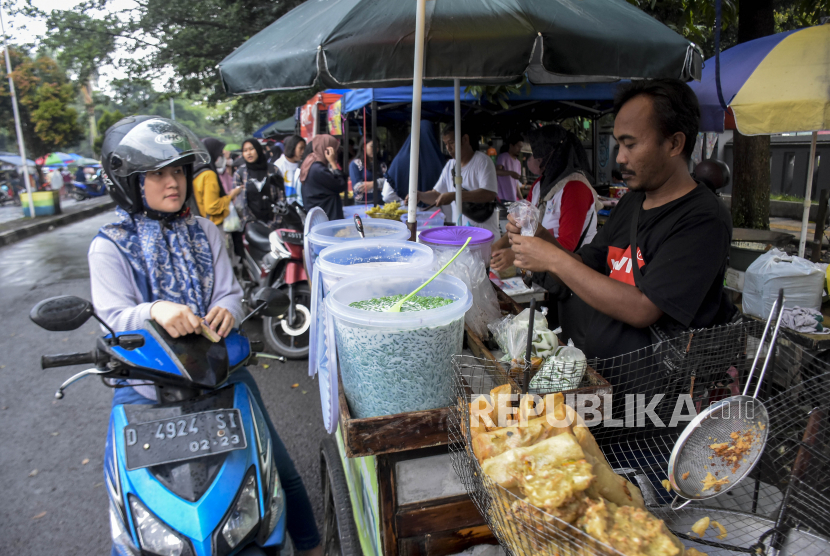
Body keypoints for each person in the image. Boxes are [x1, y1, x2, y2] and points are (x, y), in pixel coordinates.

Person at [89, 116, 322, 556]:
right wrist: (153, 310)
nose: (172, 182)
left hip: (219, 372)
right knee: (133, 502)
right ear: (128, 181)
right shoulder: (110, 245)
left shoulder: (205, 231)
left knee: (278, 470)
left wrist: (227, 311)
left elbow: (230, 293)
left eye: (176, 170)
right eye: (157, 173)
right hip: (142, 385)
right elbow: (114, 315)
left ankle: (312, 546)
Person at [507, 79, 732, 369]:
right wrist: (541, 238)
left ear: (674, 143)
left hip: (658, 400)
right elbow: (586, 264)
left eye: (631, 144)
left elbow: (643, 308)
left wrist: (552, 259)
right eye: (619, 144)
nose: (620, 157)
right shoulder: (632, 202)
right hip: (606, 379)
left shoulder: (703, 219)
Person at [491, 125, 601, 273]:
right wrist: (497, 246)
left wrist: (516, 254)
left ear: (555, 154)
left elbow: (566, 248)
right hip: (544, 272)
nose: (534, 159)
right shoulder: (539, 185)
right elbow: (521, 221)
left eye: (539, 154)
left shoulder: (576, 188)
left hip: (572, 276)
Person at [409, 124, 500, 237]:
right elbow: (437, 194)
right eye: (446, 144)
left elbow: (489, 194)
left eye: (451, 142)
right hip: (460, 235)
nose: (448, 148)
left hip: (484, 235)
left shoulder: (483, 161)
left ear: (465, 139)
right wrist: (420, 195)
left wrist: (455, 196)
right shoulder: (450, 165)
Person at [386, 121, 447, 202]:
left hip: (407, 210)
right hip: (435, 211)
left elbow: (387, 196)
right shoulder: (440, 161)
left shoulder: (399, 160)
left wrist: (403, 198)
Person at [192, 137, 243, 230]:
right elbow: (212, 207)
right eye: (219, 154)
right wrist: (231, 195)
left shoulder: (197, 172)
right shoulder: (208, 175)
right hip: (213, 225)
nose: (220, 158)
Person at [233, 138, 284, 226]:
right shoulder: (240, 173)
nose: (249, 153)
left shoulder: (273, 170)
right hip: (250, 225)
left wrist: (275, 223)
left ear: (258, 149)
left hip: (274, 223)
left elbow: (281, 197)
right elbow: (238, 204)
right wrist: (248, 223)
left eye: (251, 149)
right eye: (245, 150)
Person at [299, 134, 347, 221]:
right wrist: (333, 163)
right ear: (327, 151)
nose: (336, 153)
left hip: (320, 216)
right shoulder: (318, 169)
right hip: (325, 217)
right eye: (335, 150)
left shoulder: (311, 164)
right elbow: (341, 185)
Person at [274, 135, 306, 204]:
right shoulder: (279, 165)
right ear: (292, 147)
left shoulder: (302, 164)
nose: (303, 152)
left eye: (304, 149)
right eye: (300, 148)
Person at [349, 135, 380, 203]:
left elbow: (388, 182)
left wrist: (372, 184)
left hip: (380, 202)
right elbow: (358, 187)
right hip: (362, 204)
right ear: (364, 146)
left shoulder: (381, 164)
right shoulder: (355, 164)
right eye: (372, 146)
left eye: (377, 146)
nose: (375, 149)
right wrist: (379, 184)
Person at [495, 134, 524, 202]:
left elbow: (516, 183)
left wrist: (522, 199)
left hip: (512, 198)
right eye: (518, 147)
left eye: (521, 147)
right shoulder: (503, 157)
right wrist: (511, 173)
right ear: (511, 145)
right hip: (501, 197)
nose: (519, 149)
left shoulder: (518, 163)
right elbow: (496, 171)